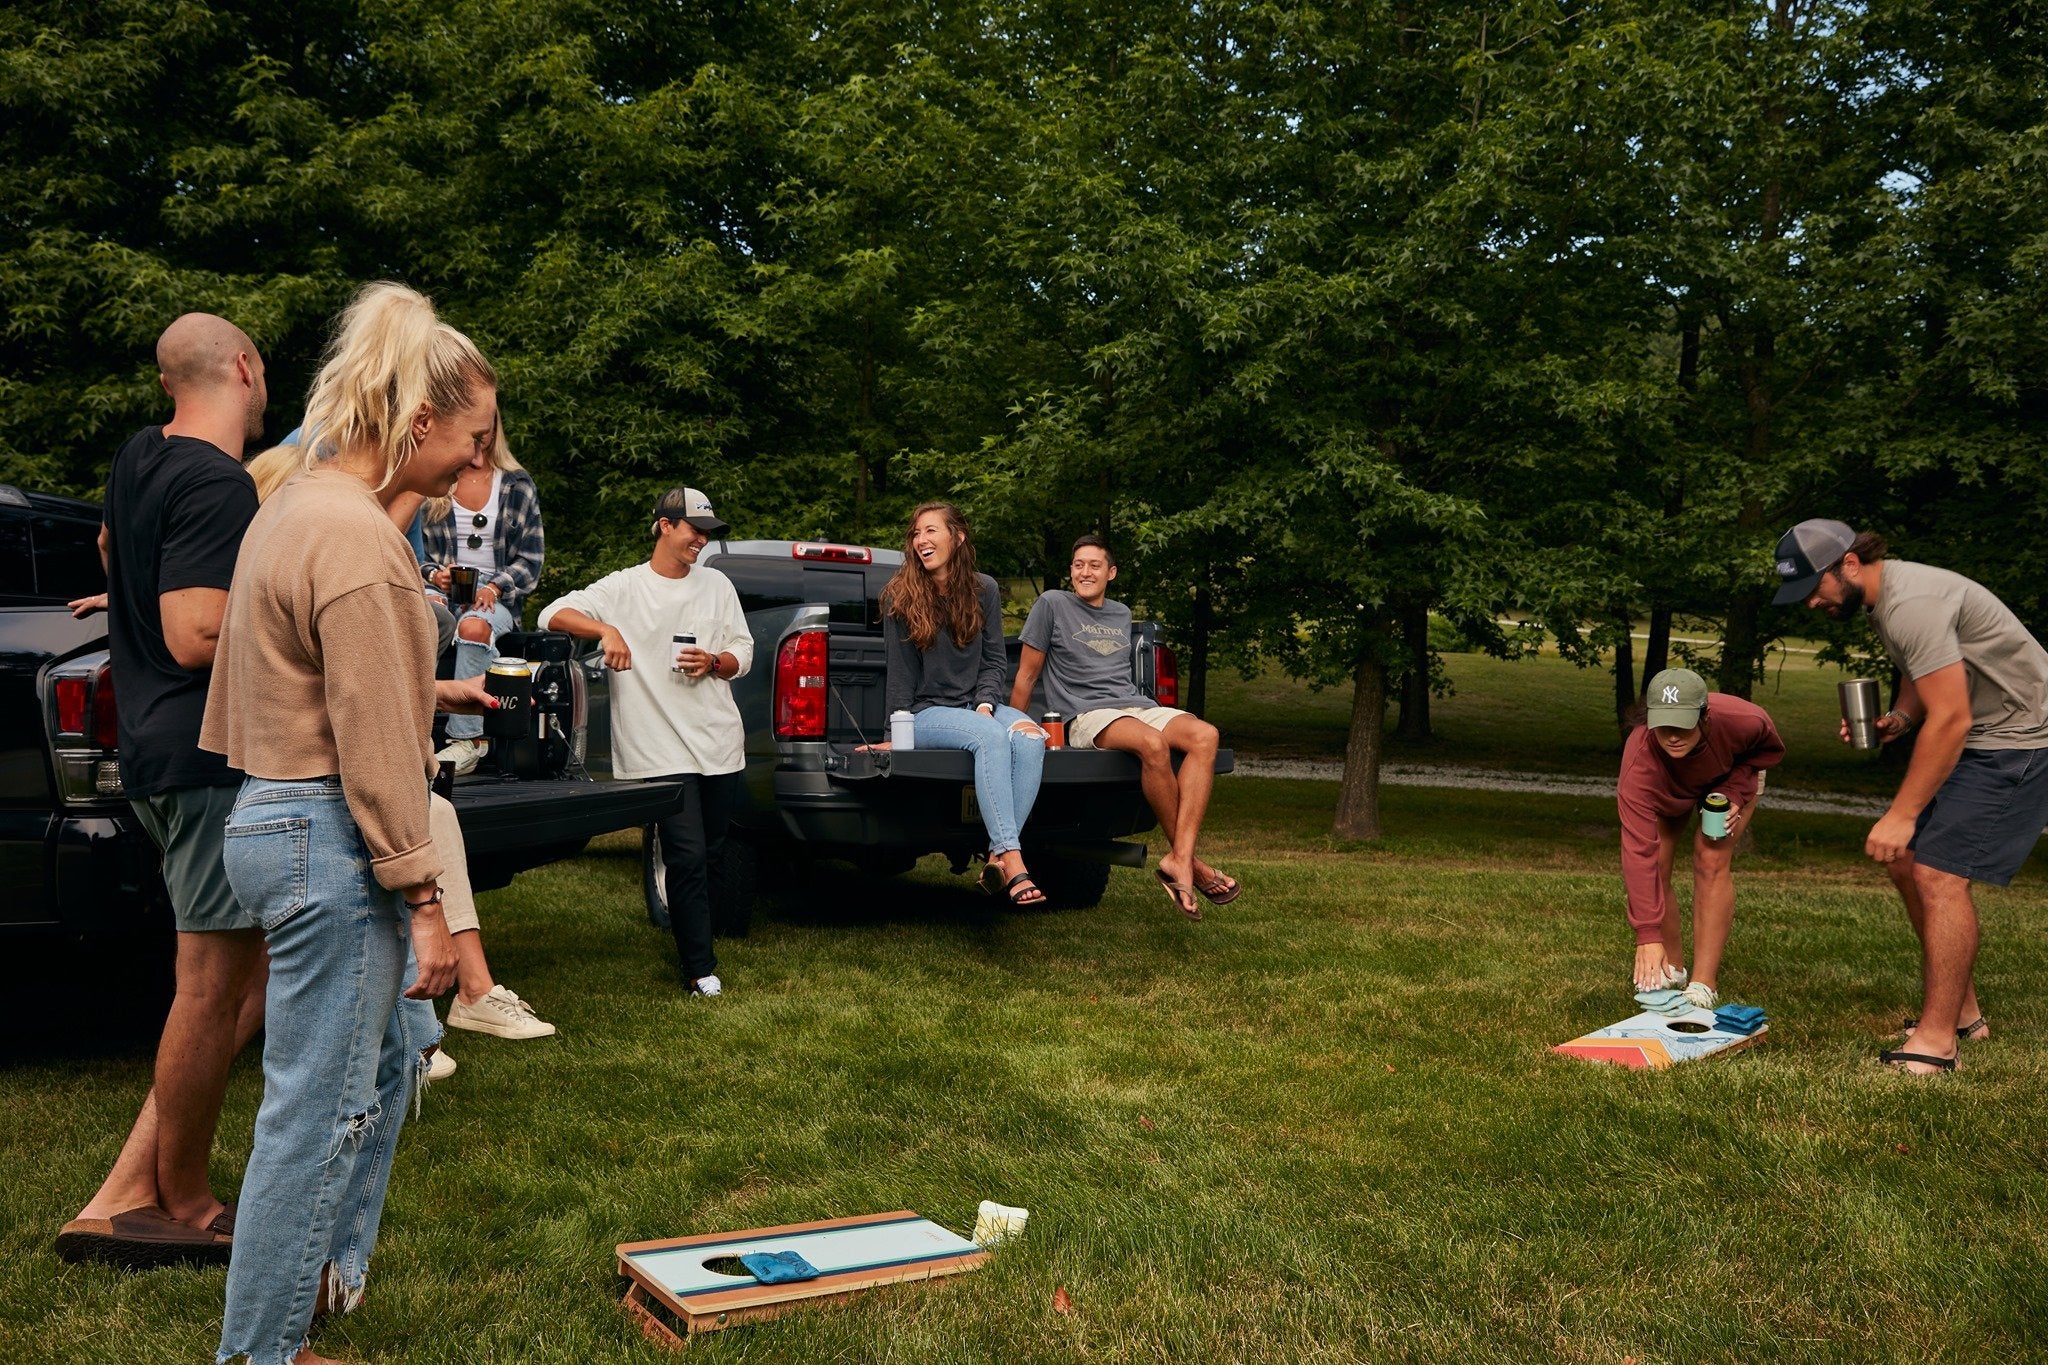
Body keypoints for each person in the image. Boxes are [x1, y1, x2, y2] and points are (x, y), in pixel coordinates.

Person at [201, 280, 500, 1365]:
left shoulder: (294, 504)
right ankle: (261, 1353)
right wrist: (426, 901)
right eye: (471, 442)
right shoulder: (359, 540)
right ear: (419, 422)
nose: (475, 465)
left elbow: (315, 686)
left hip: (278, 817)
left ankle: (315, 1294)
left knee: (383, 1065)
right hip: (330, 837)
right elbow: (373, 752)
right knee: (312, 1116)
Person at [54, 314, 270, 1270]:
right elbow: (195, 633)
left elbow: (111, 546)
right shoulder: (220, 481)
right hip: (202, 755)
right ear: (244, 367)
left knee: (243, 972)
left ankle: (144, 1180)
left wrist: (132, 592)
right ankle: (177, 1198)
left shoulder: (139, 458)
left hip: (150, 747)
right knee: (208, 989)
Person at [245, 444, 555, 1045]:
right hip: (310, 794)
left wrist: (441, 693)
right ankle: (431, 1017)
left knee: (433, 809)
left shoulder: (290, 563)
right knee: (420, 813)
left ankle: (458, 1001)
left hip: (301, 792)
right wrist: (424, 903)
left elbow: (353, 680)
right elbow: (364, 709)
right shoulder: (324, 559)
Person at [1777, 518, 2048, 1075]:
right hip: (1987, 734)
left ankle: (1936, 1042)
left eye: (1813, 589)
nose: (1810, 604)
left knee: (1938, 875)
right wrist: (1901, 717)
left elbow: (1951, 717)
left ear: (1848, 564)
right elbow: (1924, 677)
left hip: (2022, 737)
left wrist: (1902, 814)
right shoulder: (1887, 600)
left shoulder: (1912, 602)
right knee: (1907, 862)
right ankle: (1963, 1013)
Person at [538, 487, 751, 996]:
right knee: (688, 853)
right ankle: (700, 969)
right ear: (663, 525)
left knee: (713, 850)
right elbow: (551, 613)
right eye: (693, 528)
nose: (701, 539)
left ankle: (691, 924)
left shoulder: (717, 586)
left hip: (718, 741)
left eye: (708, 532)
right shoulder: (624, 588)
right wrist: (606, 629)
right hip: (658, 746)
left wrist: (715, 662)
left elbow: (742, 648)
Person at [1011, 535, 1233, 919]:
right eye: (1078, 564)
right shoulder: (1052, 604)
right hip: (1084, 715)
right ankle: (1191, 865)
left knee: (1205, 735)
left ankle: (1180, 857)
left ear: (1110, 573)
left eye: (1094, 565)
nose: (1085, 572)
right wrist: (1011, 728)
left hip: (1134, 705)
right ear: (1070, 571)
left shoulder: (1120, 613)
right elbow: (1027, 677)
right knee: (1151, 744)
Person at [872, 502, 1048, 905]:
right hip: (924, 713)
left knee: (1031, 738)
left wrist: (986, 702)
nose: (921, 540)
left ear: (958, 536)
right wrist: (892, 736)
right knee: (989, 735)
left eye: (931, 531)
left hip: (975, 707)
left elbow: (993, 659)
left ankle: (995, 856)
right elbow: (899, 674)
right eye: (916, 533)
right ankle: (1015, 859)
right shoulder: (900, 596)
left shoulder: (983, 588)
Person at [1616, 668, 1785, 1010]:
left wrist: (1735, 790)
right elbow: (1637, 852)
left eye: (1683, 725)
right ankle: (1672, 968)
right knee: (1657, 860)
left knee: (1710, 857)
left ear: (1705, 715)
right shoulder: (1639, 764)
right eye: (1663, 726)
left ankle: (1703, 984)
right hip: (1668, 786)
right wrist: (1647, 934)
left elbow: (1767, 752)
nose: (1673, 736)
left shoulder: (1745, 720)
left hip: (1727, 781)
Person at [419, 423, 544, 774]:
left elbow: (531, 561)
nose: (478, 437)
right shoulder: (437, 480)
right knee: (420, 615)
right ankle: (411, 728)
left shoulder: (517, 484)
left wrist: (495, 587)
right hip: (442, 583)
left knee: (474, 626)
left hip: (496, 590)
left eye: (484, 429)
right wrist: (434, 574)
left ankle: (468, 741)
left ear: (494, 429)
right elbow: (415, 551)